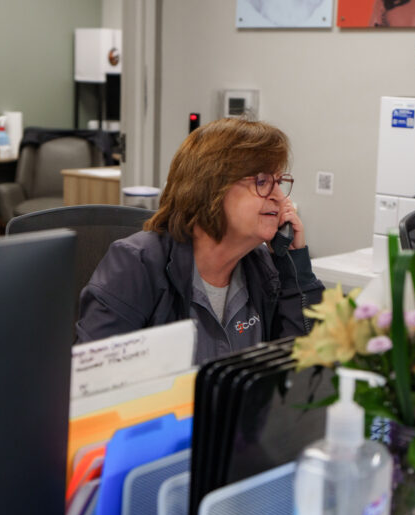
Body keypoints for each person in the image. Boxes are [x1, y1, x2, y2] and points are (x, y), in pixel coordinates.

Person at [76, 118, 324, 364]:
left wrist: (295, 266)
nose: (280, 198)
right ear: (211, 187)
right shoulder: (136, 265)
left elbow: (307, 369)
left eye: (279, 183)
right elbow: (96, 377)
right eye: (262, 182)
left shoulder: (264, 269)